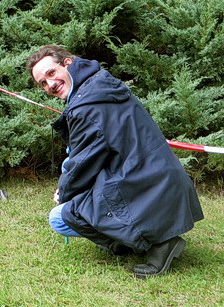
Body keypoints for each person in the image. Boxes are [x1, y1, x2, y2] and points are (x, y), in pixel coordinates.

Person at [25, 44, 204, 278]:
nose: (50, 84)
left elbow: (82, 162)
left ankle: (157, 244)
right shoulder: (100, 83)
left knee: (60, 216)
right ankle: (130, 239)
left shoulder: (86, 104)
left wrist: (63, 191)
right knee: (75, 182)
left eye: (51, 73)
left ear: (67, 63)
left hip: (144, 182)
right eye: (43, 83)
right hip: (160, 177)